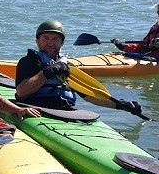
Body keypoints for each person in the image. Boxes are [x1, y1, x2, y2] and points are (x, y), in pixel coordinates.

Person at [15, 21, 143, 115]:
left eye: (55, 39)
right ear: (37, 41)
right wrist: (49, 72)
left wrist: (121, 105)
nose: (50, 43)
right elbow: (21, 92)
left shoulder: (67, 67)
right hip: (37, 109)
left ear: (61, 43)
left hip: (66, 111)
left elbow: (90, 96)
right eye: (45, 38)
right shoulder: (28, 62)